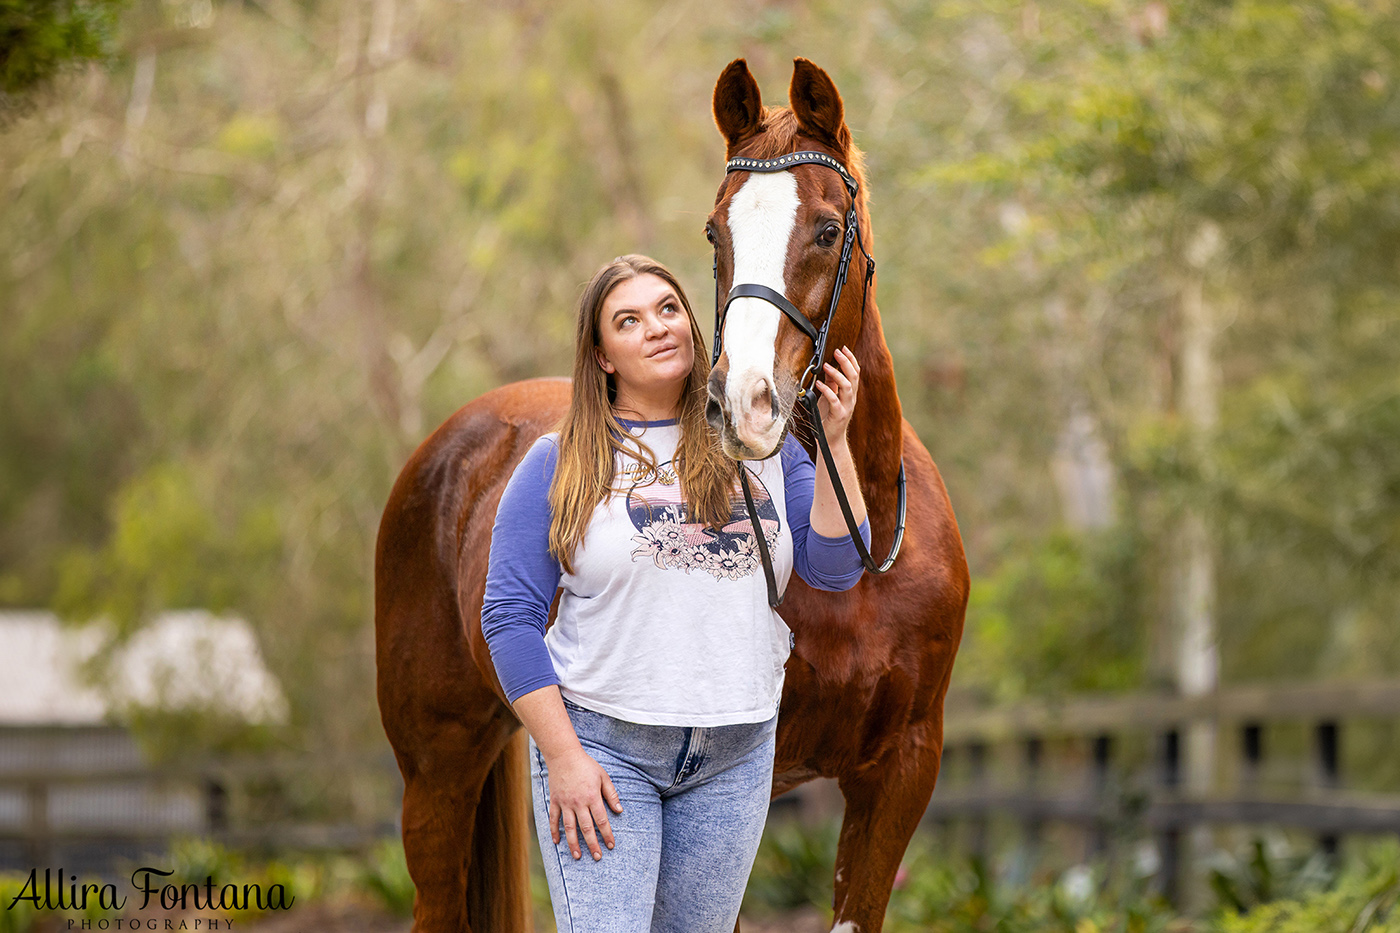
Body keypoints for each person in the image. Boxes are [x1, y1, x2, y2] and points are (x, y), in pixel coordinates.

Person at [481, 254, 870, 933]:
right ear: (602, 356)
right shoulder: (559, 460)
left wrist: (835, 441)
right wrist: (565, 756)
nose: (657, 327)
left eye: (667, 309)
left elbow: (834, 567)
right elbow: (509, 620)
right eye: (628, 321)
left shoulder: (762, 443)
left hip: (735, 754)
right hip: (605, 749)